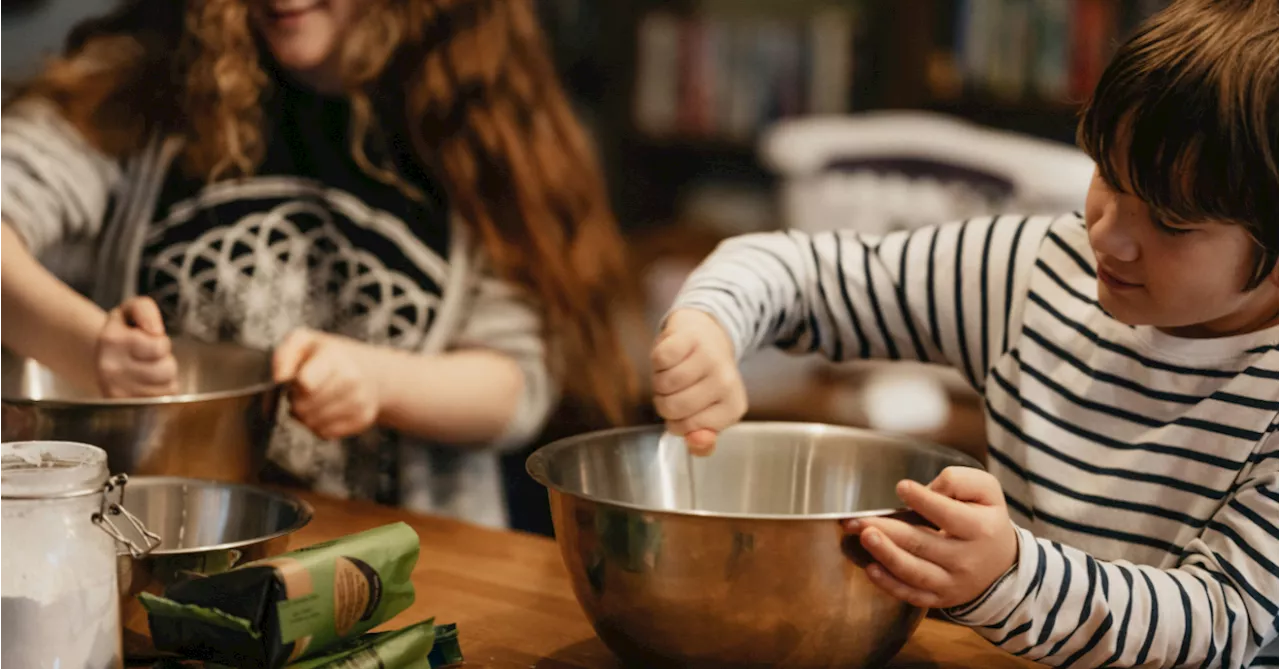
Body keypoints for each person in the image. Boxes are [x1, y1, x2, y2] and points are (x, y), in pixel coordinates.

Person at [651, 1, 1279, 666]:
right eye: (1108, 177)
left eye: (1171, 223)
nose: (1107, 233)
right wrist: (709, 325)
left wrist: (1008, 575)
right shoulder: (1036, 270)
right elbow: (798, 270)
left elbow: (1220, 623)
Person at [0, 0, 635, 528]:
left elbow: (516, 386)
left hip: (399, 567)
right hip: (150, 542)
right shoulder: (140, 79)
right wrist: (87, 350)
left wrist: (378, 381)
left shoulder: (478, 118)